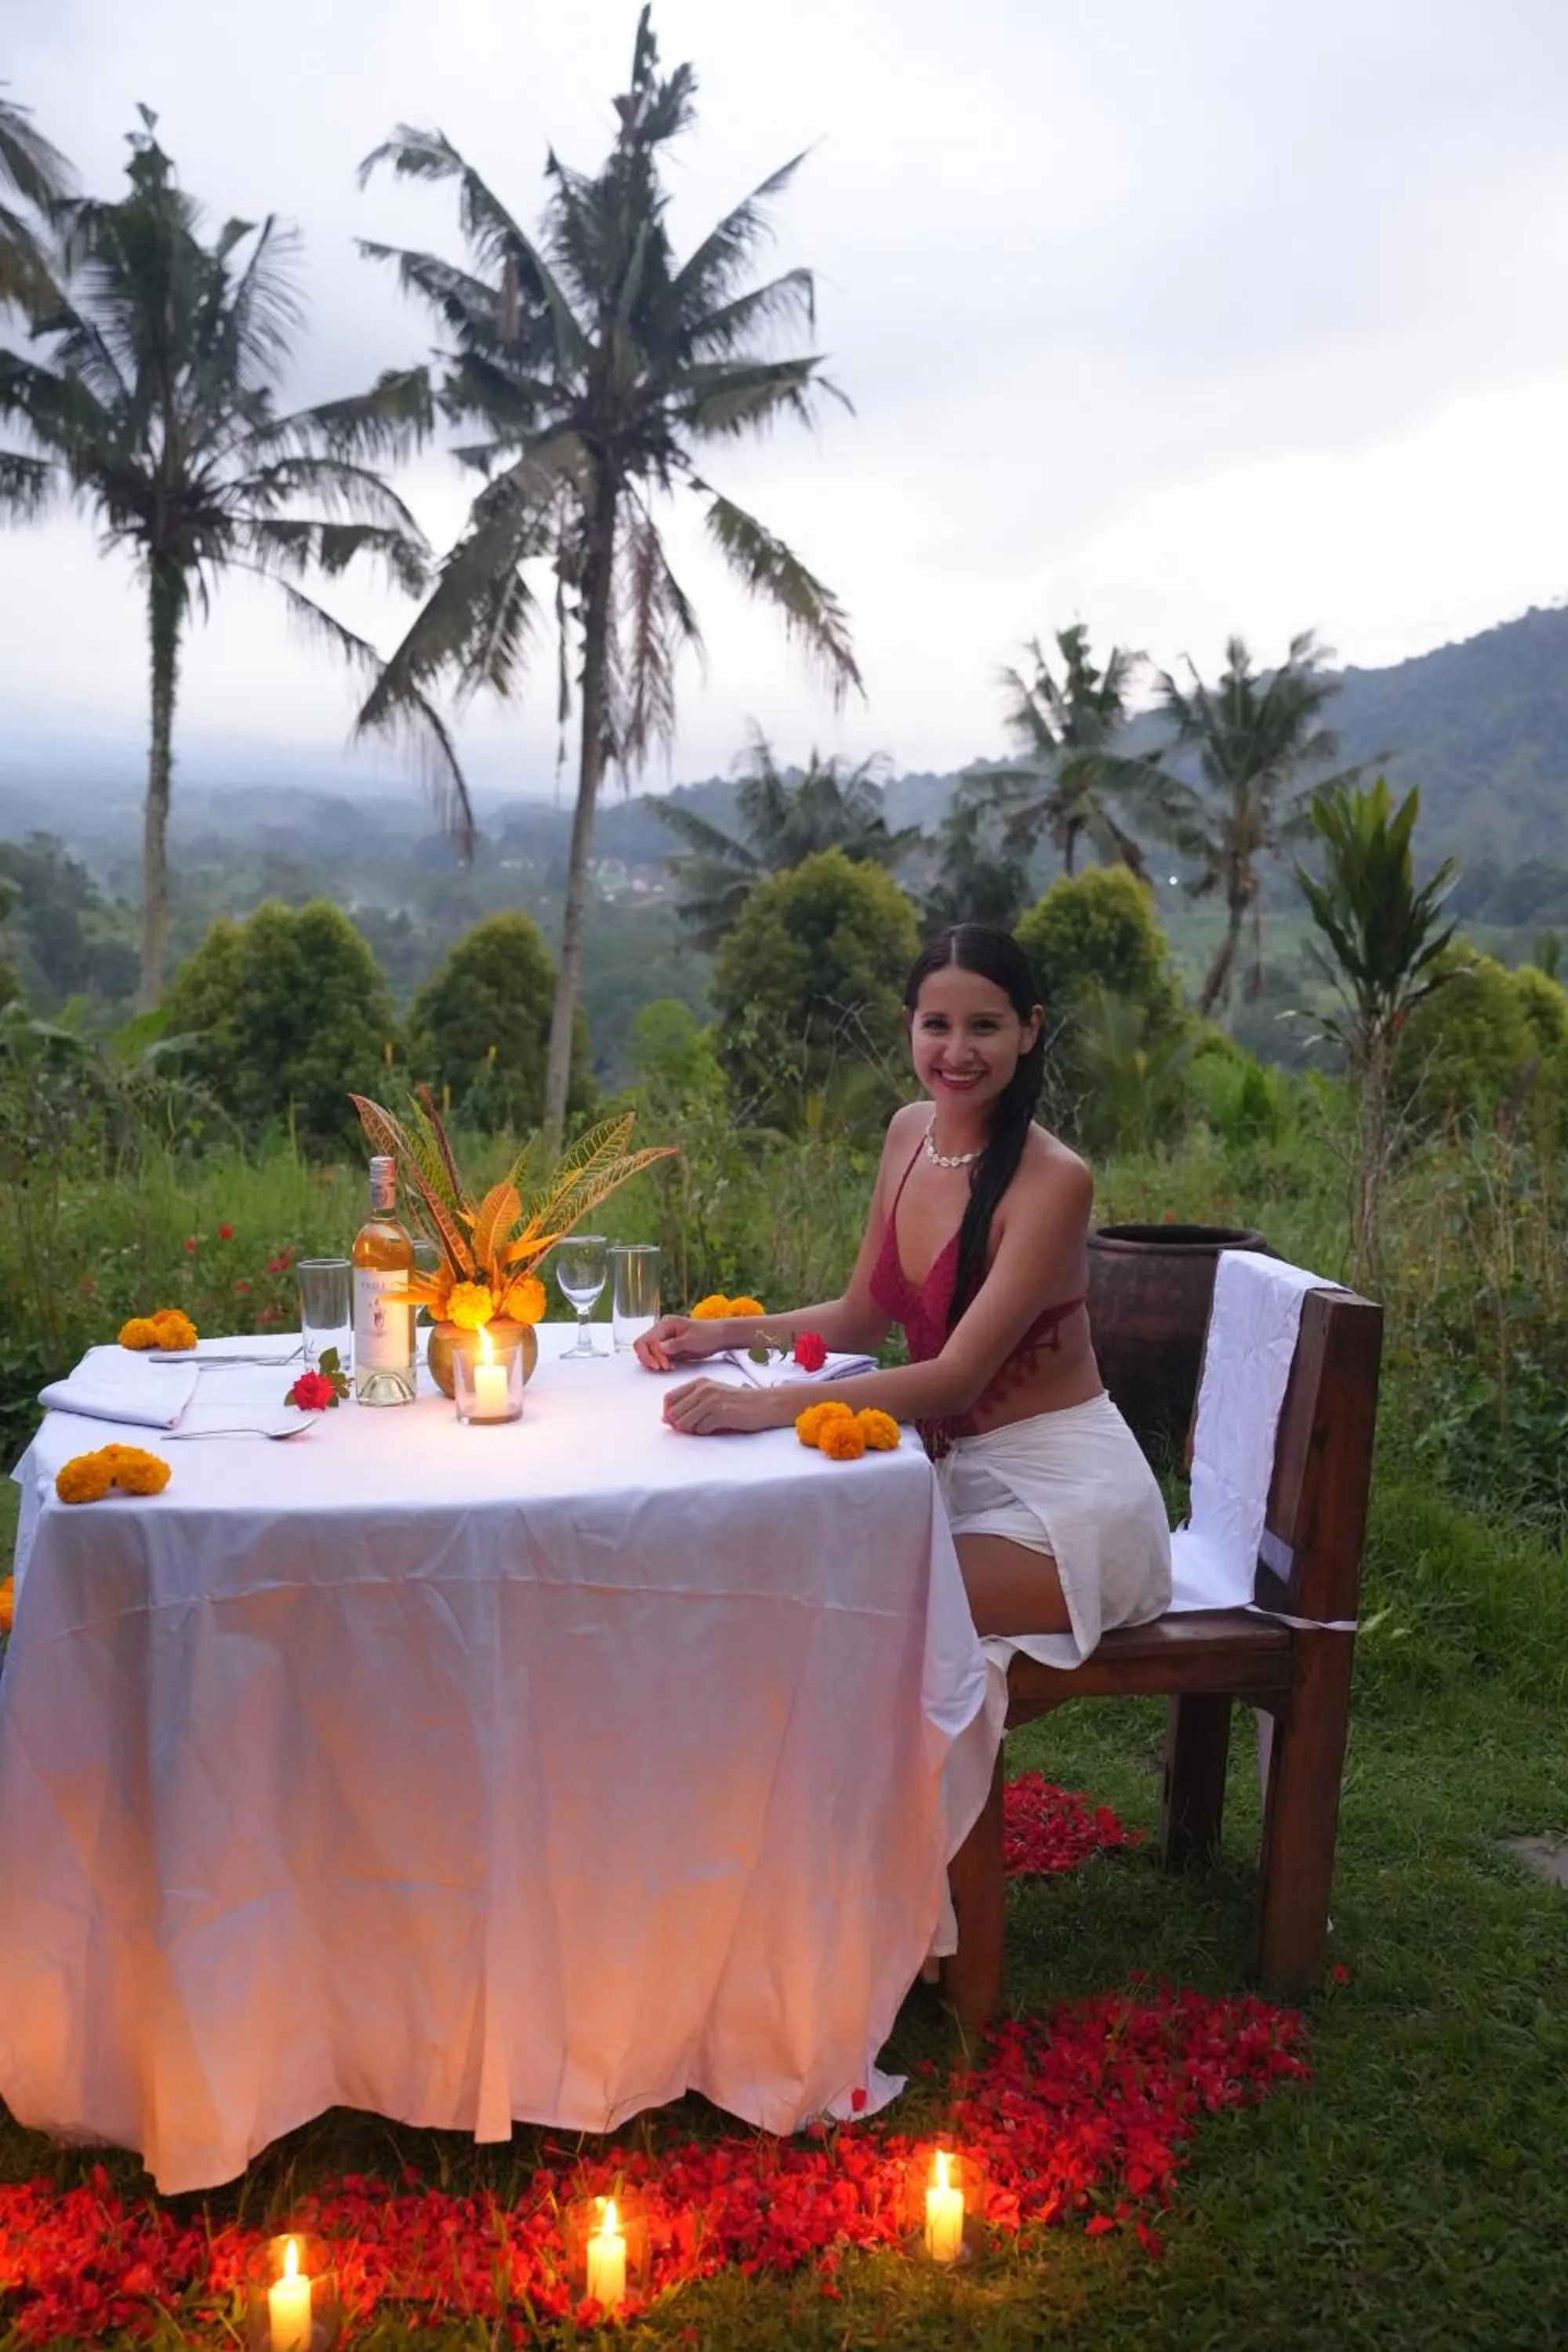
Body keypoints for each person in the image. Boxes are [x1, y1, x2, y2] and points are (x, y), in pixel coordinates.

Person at [634, 922, 1171, 1662]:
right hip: (954, 1482)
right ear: (907, 1027)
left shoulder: (1054, 1181)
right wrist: (716, 1334)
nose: (957, 1053)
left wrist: (758, 1407)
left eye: (985, 1026)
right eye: (937, 1025)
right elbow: (860, 1318)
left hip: (1068, 1511)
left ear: (1029, 1030)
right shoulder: (909, 1135)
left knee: (846, 1615)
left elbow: (956, 1381)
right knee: (781, 1581)